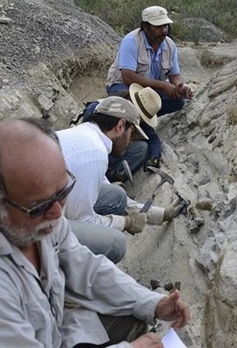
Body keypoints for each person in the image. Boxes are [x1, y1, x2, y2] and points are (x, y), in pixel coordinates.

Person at [0, 118, 190, 347]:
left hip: (49, 331)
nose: (58, 213)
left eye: (63, 191)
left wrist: (152, 302)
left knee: (134, 316)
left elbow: (84, 265)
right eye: (41, 205)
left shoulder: (30, 213)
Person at [58, 96, 185, 263]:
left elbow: (113, 194)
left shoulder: (86, 134)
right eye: (131, 134)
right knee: (116, 244)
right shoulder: (94, 153)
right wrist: (125, 222)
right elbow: (82, 220)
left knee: (116, 194)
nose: (131, 141)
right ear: (120, 126)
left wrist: (159, 215)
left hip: (36, 206)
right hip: (28, 231)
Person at [105, 5, 193, 169]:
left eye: (165, 26)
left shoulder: (169, 45)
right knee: (133, 107)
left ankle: (140, 118)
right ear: (145, 26)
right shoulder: (131, 41)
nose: (164, 30)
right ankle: (148, 140)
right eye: (158, 27)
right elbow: (128, 76)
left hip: (149, 91)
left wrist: (179, 86)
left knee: (179, 102)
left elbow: (174, 75)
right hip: (122, 88)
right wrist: (163, 86)